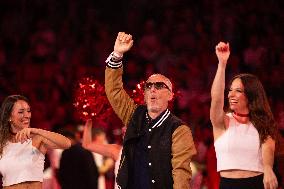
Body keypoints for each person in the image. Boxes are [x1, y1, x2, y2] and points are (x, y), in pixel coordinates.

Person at [104, 32, 196, 189]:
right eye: (149, 86)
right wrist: (117, 54)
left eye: (160, 86)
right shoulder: (134, 115)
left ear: (170, 95)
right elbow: (114, 91)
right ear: (145, 94)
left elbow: (181, 173)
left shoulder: (179, 130)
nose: (153, 89)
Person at [210, 42, 278, 189]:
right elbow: (216, 98)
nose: (231, 95)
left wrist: (267, 167)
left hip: (257, 183)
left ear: (251, 95)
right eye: (230, 90)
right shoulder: (223, 122)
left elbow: (268, 148)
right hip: (228, 184)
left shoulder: (263, 122)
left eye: (238, 91)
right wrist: (222, 64)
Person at [0, 95, 71, 189]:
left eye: (28, 111)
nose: (27, 115)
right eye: (21, 112)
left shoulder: (37, 138)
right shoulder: (2, 143)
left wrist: (37, 131)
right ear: (9, 116)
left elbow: (67, 144)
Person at [82, 119, 123, 189]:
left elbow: (86, 145)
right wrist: (88, 122)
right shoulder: (118, 150)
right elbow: (87, 145)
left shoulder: (118, 150)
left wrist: (88, 123)